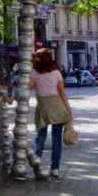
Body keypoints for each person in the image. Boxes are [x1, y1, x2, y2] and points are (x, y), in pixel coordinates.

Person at [30, 48, 73, 178]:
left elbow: (28, 87)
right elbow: (62, 93)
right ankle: (55, 168)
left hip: (42, 107)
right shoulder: (56, 73)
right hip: (57, 106)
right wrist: (68, 110)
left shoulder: (34, 73)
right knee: (56, 139)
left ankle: (37, 165)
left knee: (40, 138)